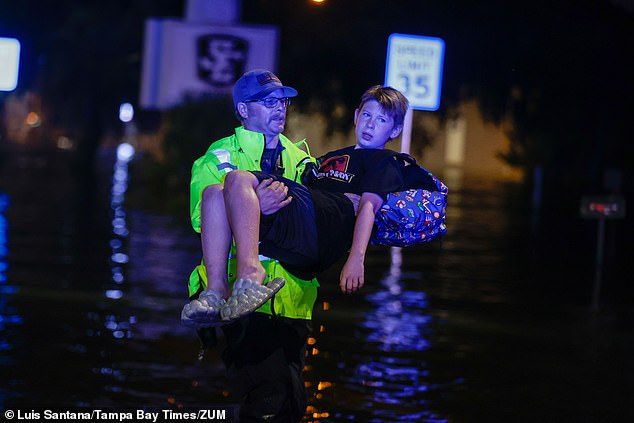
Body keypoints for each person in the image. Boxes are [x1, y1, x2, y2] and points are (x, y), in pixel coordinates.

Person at [183, 85, 437, 326]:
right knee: (215, 192)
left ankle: (250, 275)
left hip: (320, 232)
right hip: (301, 228)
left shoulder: (384, 162)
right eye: (367, 115)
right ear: (357, 115)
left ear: (394, 131)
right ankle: (215, 292)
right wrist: (259, 205)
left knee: (237, 179)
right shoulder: (327, 160)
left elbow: (367, 208)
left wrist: (356, 258)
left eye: (381, 120)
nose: (371, 124)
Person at [185, 69, 319, 423]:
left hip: (293, 301)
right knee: (270, 399)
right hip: (239, 301)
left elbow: (315, 222)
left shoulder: (302, 160)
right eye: (268, 102)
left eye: (283, 101)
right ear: (243, 110)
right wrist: (257, 205)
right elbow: (202, 218)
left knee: (290, 399)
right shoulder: (219, 157)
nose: (280, 108)